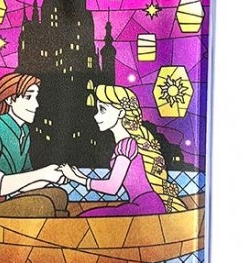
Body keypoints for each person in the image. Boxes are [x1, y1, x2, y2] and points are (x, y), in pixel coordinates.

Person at [59, 85, 184, 216]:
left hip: (145, 208)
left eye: (102, 110)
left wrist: (76, 178)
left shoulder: (127, 145)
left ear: (121, 113)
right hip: (145, 205)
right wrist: (79, 175)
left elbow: (112, 187)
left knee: (84, 218)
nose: (96, 116)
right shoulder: (125, 144)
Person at [0, 72, 68, 217]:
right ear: (9, 100)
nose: (36, 104)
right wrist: (42, 174)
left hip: (1, 202)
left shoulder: (23, 132)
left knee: (59, 196)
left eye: (36, 97)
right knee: (43, 205)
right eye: (28, 97)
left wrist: (50, 177)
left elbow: (23, 180)